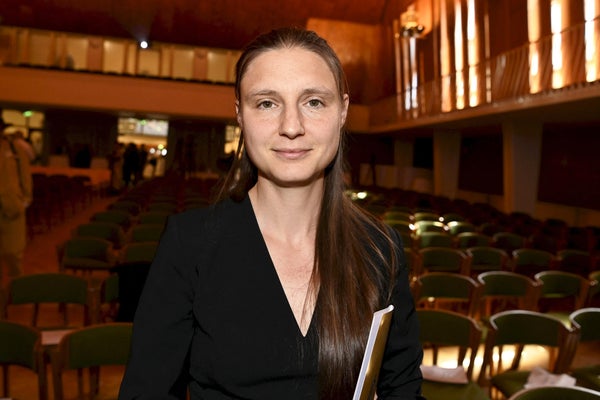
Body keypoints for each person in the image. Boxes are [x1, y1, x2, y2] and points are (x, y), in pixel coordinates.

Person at [119, 27, 424, 400]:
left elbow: (403, 390)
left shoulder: (381, 248)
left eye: (313, 102)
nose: (291, 127)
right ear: (240, 116)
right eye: (267, 103)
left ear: (343, 111)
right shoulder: (191, 244)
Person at [0, 118, 33, 284]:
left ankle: (14, 286)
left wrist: (25, 200)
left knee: (13, 251)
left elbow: (25, 176)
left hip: (12, 206)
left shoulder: (14, 149)